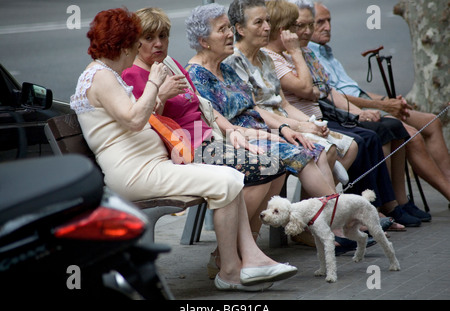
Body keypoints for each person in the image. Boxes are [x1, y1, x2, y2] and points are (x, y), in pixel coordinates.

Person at [70, 7, 297, 292]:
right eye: (134, 44)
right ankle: (230, 269)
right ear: (122, 45)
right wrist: (155, 83)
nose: (135, 52)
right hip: (136, 172)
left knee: (230, 177)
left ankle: (247, 260)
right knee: (227, 179)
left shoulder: (105, 74)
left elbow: (137, 118)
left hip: (153, 165)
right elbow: (134, 119)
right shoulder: (101, 76)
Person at [122, 7, 287, 279]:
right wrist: (160, 96)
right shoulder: (133, 76)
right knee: (264, 168)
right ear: (135, 41)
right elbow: (144, 125)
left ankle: (245, 251)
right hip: (186, 149)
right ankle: (230, 255)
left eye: (163, 35)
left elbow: (204, 107)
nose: (159, 43)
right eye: (150, 37)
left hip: (210, 137)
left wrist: (232, 130)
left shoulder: (171, 65)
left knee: (277, 165)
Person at [262, 0, 430, 227]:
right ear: (282, 29)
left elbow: (323, 89)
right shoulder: (283, 55)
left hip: (314, 116)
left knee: (387, 130)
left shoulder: (304, 53)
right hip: (305, 120)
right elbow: (306, 90)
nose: (306, 31)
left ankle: (389, 204)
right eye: (298, 25)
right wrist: (299, 61)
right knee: (366, 139)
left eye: (311, 24)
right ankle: (360, 213)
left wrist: (359, 112)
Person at [185, 3, 339, 207]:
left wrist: (283, 128)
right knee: (297, 155)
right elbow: (216, 122)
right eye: (222, 29)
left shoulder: (225, 68)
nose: (230, 34)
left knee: (314, 149)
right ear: (203, 41)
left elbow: (254, 107)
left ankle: (329, 220)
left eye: (228, 27)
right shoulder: (195, 75)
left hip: (258, 133)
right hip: (236, 140)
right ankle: (337, 216)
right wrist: (271, 134)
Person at [309, 1, 450, 203]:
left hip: (365, 102)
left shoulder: (326, 51)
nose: (328, 27)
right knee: (411, 134)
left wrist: (387, 100)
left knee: (432, 121)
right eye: (320, 22)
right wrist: (383, 106)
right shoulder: (311, 53)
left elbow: (354, 89)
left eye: (329, 21)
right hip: (350, 109)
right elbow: (336, 97)